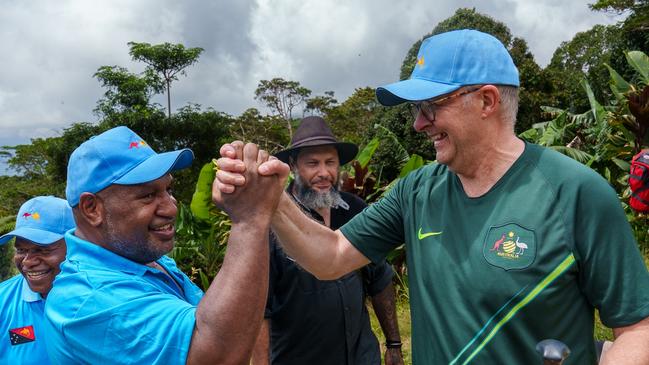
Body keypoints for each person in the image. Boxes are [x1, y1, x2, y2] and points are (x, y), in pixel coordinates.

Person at [214, 30, 649, 364]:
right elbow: (331, 256)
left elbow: (638, 328)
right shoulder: (416, 190)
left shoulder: (575, 193)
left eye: (430, 106)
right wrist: (271, 200)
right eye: (416, 110)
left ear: (486, 101)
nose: (419, 124)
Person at [43, 126, 288, 364]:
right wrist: (249, 220)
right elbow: (217, 357)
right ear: (92, 209)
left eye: (168, 189)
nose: (171, 207)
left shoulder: (143, 258)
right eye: (148, 195)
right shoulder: (89, 297)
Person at [251, 116, 404, 365]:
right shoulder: (274, 223)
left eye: (330, 162)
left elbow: (380, 280)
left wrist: (394, 344)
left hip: (362, 356)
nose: (324, 173)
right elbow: (260, 311)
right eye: (313, 163)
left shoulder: (355, 209)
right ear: (293, 165)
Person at [0, 196, 75, 364]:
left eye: (42, 249)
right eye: (21, 250)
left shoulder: (105, 298)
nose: (27, 261)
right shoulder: (3, 301)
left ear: (75, 244)